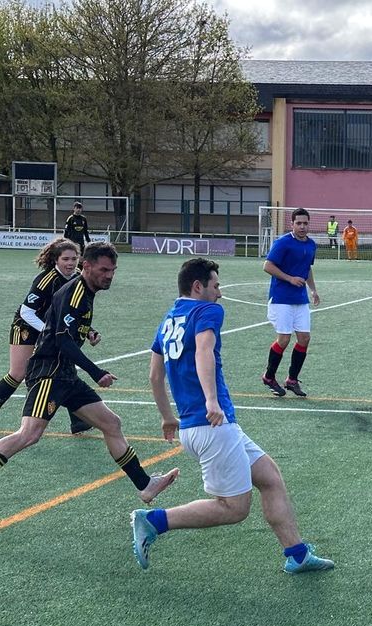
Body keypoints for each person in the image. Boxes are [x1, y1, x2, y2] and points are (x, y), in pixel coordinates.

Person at [131, 257, 335, 574]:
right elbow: (203, 350)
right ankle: (154, 521)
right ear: (197, 287)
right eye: (215, 286)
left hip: (199, 425)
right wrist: (211, 400)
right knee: (234, 509)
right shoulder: (207, 311)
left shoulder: (169, 319)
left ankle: (296, 554)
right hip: (212, 424)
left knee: (270, 477)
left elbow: (155, 376)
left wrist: (167, 417)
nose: (220, 293)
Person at [0, 242, 179, 516]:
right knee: (29, 434)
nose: (109, 275)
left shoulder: (85, 292)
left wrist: (88, 332)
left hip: (65, 373)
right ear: (87, 266)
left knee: (111, 423)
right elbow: (62, 340)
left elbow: (62, 325)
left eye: (113, 270)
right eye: (104, 270)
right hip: (48, 372)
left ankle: (145, 485)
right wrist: (96, 372)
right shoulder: (75, 291)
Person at [0, 237, 93, 437]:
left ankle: (77, 422)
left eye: (74, 259)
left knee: (63, 369)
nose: (70, 263)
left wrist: (89, 330)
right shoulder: (45, 280)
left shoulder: (77, 280)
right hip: (26, 327)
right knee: (18, 373)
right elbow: (27, 312)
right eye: (65, 259)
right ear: (56, 260)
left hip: (50, 331)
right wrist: (49, 332)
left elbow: (74, 313)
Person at [260, 207, 320, 397]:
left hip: (300, 299)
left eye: (305, 223)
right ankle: (269, 376)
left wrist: (313, 290)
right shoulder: (283, 242)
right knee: (284, 339)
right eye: (298, 223)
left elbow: (307, 268)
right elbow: (267, 266)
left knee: (304, 338)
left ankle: (292, 380)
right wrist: (289, 278)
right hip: (281, 298)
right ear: (292, 224)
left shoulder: (311, 245)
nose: (302, 226)